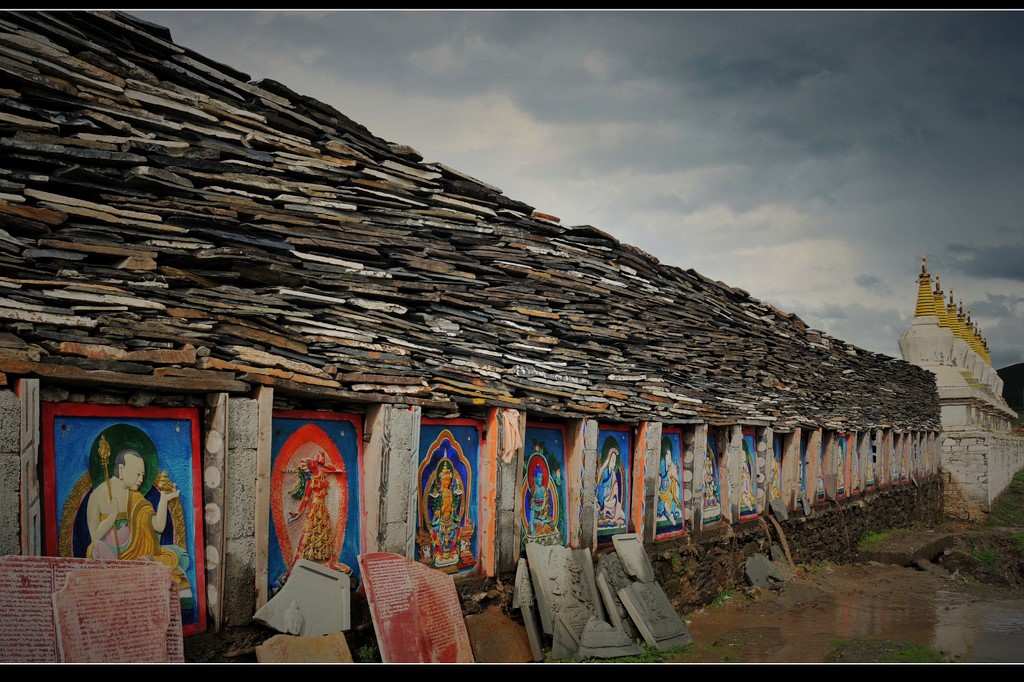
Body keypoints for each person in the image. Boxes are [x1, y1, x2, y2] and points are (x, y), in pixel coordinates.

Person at [86, 442, 192, 600]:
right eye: (137, 474)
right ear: (122, 469)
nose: (141, 479)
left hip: (137, 555)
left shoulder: (135, 498)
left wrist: (163, 499)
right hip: (109, 555)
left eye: (143, 475)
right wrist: (112, 517)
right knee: (96, 548)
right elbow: (95, 536)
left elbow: (158, 526)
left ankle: (141, 566)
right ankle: (130, 573)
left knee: (180, 555)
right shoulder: (98, 495)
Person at [288, 449, 342, 564]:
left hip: (322, 508)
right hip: (315, 508)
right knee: (309, 531)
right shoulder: (311, 481)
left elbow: (335, 469)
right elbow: (306, 499)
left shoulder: (323, 473)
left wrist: (322, 463)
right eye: (310, 463)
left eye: (313, 462)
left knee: (324, 531)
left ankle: (326, 560)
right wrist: (299, 512)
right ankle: (299, 560)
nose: (312, 463)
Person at [596, 437, 625, 527]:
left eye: (615, 461)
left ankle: (611, 517)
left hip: (610, 502)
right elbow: (598, 482)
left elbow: (615, 490)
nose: (614, 463)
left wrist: (613, 499)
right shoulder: (603, 472)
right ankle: (605, 517)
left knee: (619, 510)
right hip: (602, 502)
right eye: (612, 460)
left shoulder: (613, 474)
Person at [527, 464, 556, 538]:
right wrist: (533, 522)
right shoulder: (533, 490)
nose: (540, 479)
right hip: (535, 517)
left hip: (543, 516)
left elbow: (547, 507)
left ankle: (542, 528)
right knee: (532, 528)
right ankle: (538, 530)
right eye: (538, 477)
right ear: (535, 478)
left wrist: (544, 518)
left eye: (541, 477)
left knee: (552, 524)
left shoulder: (544, 490)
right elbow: (532, 510)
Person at [657, 438, 681, 526]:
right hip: (662, 495)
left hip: (668, 495)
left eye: (670, 457)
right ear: (664, 457)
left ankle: (671, 513)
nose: (670, 459)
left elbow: (672, 480)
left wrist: (674, 479)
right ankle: (666, 513)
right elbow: (659, 487)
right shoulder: (661, 470)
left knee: (672, 501)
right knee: (665, 505)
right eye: (668, 457)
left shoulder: (669, 470)